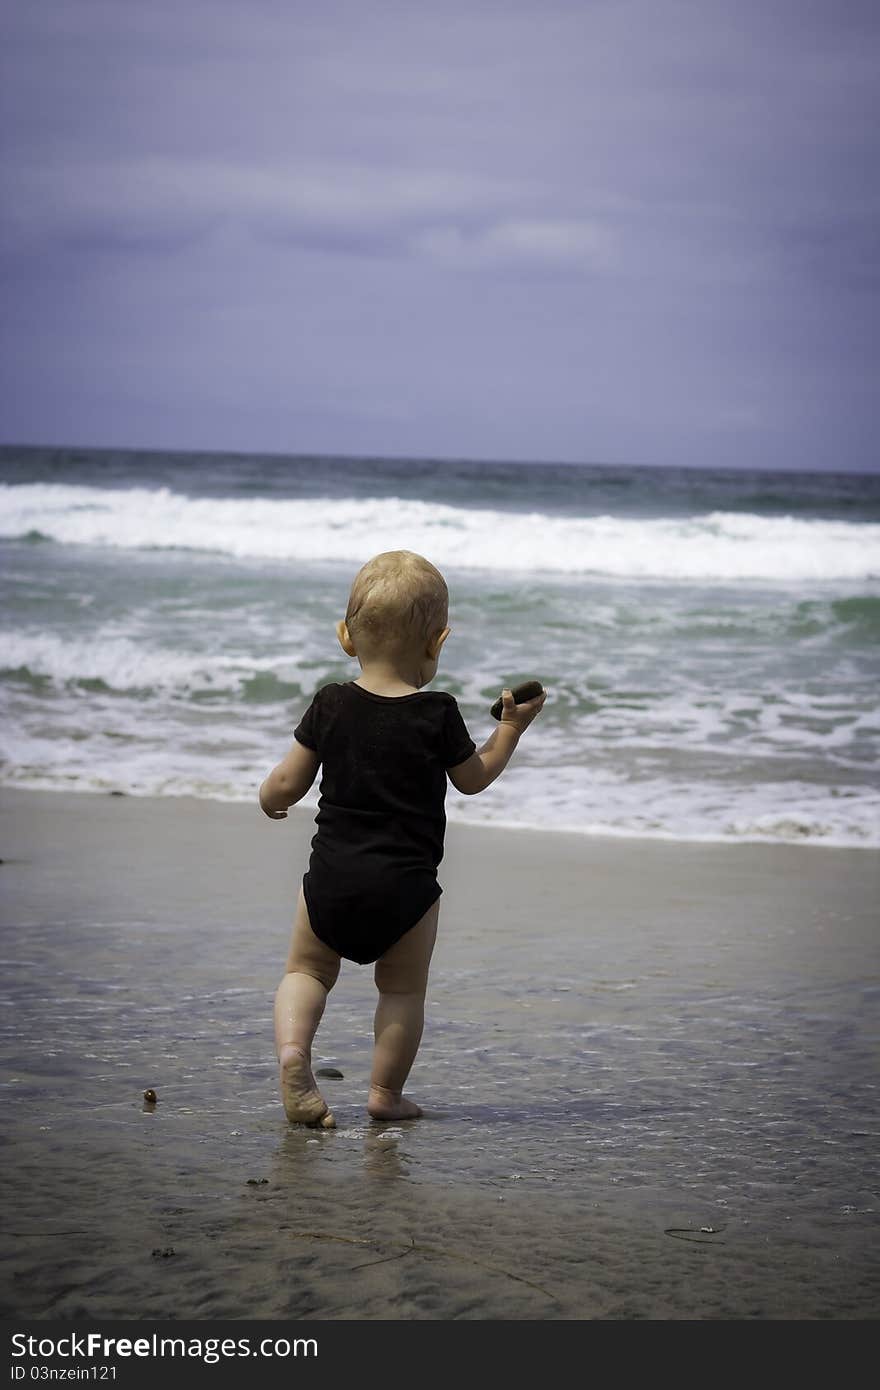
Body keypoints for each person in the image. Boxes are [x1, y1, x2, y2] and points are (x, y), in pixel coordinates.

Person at [259, 550, 546, 1126]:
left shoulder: (331, 703)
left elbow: (287, 783)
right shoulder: (437, 713)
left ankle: (295, 1054)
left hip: (332, 879)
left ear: (345, 637)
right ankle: (384, 1095)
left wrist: (272, 801)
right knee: (402, 992)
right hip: (407, 889)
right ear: (437, 643)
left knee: (306, 972)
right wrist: (509, 729)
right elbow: (473, 780)